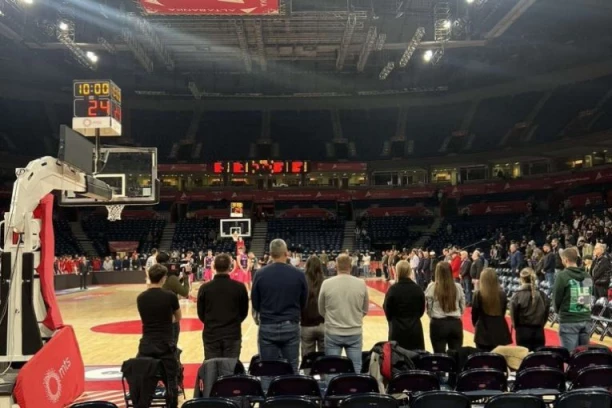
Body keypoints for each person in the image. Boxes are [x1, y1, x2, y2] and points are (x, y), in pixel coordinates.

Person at [252, 239, 307, 373]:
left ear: (270, 254)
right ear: (286, 253)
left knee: (267, 370)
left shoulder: (260, 274)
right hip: (291, 325)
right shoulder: (299, 274)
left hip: (267, 325)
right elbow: (303, 302)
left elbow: (255, 302)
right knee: (291, 370)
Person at [136, 264, 181, 408]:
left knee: (144, 381)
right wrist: (166, 320)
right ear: (163, 278)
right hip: (165, 344)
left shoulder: (141, 297)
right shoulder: (170, 296)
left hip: (146, 344)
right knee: (171, 380)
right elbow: (178, 317)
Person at [318, 254, 369, 373]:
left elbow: (321, 309)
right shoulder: (361, 283)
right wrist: (354, 318)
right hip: (354, 331)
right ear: (350, 266)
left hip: (332, 332)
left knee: (332, 370)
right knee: (355, 369)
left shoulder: (326, 283)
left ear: (336, 266)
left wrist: (331, 319)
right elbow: (365, 309)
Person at [197, 253, 249, 360]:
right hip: (232, 334)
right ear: (230, 267)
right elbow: (244, 312)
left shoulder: (204, 288)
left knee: (212, 367)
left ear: (214, 267)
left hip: (211, 334)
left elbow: (201, 313)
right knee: (231, 368)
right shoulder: (239, 287)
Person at [553, 248, 593, 351]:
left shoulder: (562, 276)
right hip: (585, 318)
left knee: (569, 355)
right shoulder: (587, 276)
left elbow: (557, 298)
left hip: (569, 320)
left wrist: (557, 311)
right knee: (583, 355)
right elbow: (589, 296)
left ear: (565, 260)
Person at [383, 260, 425, 351]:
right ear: (409, 271)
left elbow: (387, 309)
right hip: (415, 328)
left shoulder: (393, 289)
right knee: (416, 356)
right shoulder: (418, 289)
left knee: (397, 356)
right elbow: (422, 310)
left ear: (397, 272)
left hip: (396, 329)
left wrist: (393, 320)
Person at [425, 262, 465, 353]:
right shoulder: (458, 287)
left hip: (438, 324)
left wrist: (432, 317)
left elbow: (428, 308)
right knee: (456, 355)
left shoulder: (432, 287)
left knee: (439, 355)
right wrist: (458, 313)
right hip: (455, 324)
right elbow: (462, 305)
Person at [471, 268, 512, 351]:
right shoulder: (502, 294)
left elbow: (474, 314)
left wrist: (477, 325)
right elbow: (503, 312)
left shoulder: (478, 294)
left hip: (482, 332)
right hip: (500, 331)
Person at [510, 268, 549, 351]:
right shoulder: (542, 295)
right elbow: (546, 315)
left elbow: (513, 316)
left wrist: (517, 328)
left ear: (521, 279)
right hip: (538, 331)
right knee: (537, 357)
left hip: (523, 331)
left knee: (524, 357)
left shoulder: (517, 295)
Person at [157, 251, 189, 347]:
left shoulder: (155, 276)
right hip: (170, 316)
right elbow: (184, 292)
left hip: (157, 316)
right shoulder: (171, 278)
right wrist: (185, 278)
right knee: (172, 345)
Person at [301, 256, 325, 356]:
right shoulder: (325, 282)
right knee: (325, 360)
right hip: (323, 324)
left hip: (306, 324)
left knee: (307, 359)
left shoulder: (302, 281)